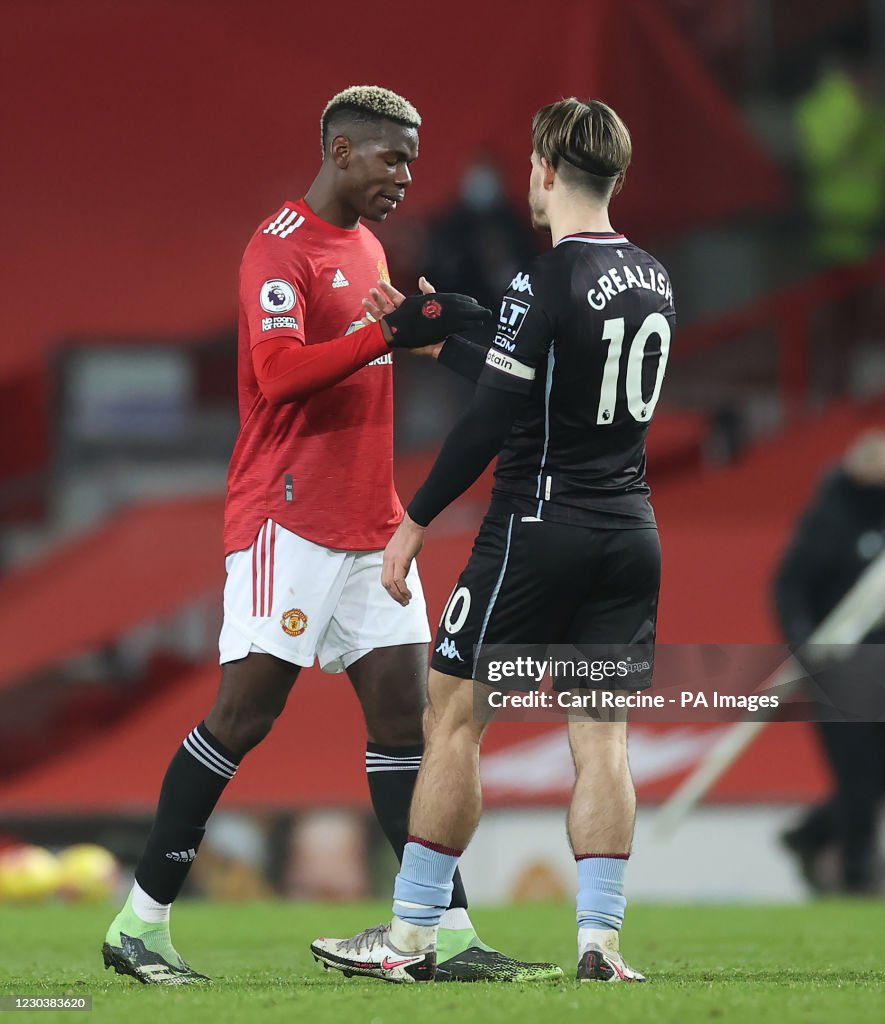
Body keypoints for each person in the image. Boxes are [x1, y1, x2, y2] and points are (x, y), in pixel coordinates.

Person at [102, 84, 559, 985]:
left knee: (407, 727)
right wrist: (384, 332)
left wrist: (425, 331)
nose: (405, 176)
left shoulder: (368, 245)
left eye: (414, 161)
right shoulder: (276, 253)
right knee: (244, 717)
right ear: (342, 152)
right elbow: (276, 377)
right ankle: (139, 925)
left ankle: (445, 939)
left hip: (369, 523)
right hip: (288, 518)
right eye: (392, 157)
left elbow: (381, 346)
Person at [312, 97, 675, 983]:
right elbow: (552, 384)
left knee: (455, 720)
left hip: (536, 527)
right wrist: (455, 345)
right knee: (601, 738)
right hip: (629, 529)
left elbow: (488, 427)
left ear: (545, 171)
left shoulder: (540, 278)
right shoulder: (655, 277)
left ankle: (406, 941)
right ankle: (599, 944)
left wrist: (412, 522)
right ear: (615, 175)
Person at [775, 431, 885, 894]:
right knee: (858, 775)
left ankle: (811, 835)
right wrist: (804, 640)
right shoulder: (829, 518)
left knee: (873, 777)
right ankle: (857, 880)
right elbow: (790, 585)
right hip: (838, 670)